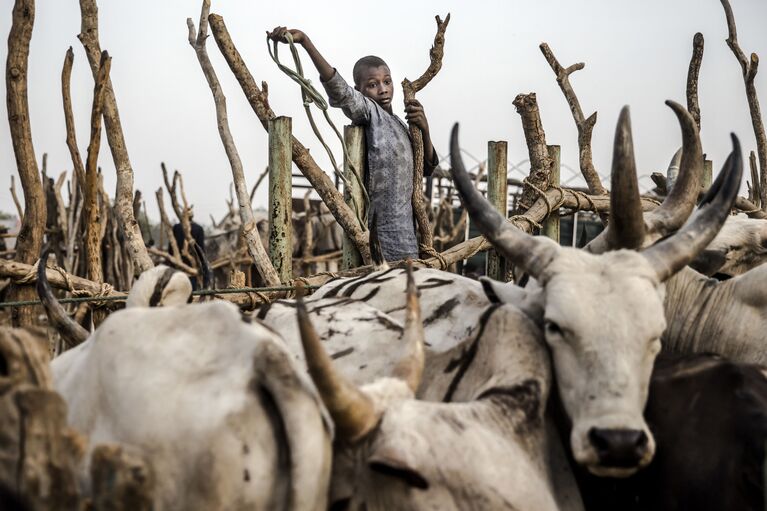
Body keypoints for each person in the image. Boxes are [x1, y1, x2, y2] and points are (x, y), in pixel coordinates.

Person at [268, 27, 440, 261]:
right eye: (372, 84)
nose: (383, 89)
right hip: (382, 237)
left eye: (387, 81)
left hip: (410, 236)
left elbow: (427, 168)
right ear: (359, 90)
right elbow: (339, 90)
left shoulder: (401, 124)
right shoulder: (370, 113)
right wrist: (306, 42)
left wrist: (425, 129)